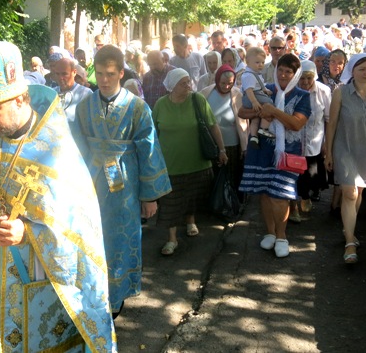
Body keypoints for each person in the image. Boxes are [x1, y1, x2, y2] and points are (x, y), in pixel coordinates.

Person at [0, 41, 117, 352]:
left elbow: (79, 229)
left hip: (38, 272)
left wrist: (28, 231)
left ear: (19, 99)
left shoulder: (55, 149)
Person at [74, 44, 171, 317]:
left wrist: (149, 196)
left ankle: (116, 299)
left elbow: (148, 150)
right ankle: (93, 296)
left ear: (120, 73)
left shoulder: (137, 107)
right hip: (91, 184)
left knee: (119, 239)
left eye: (110, 74)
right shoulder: (84, 106)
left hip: (125, 187)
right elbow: (78, 147)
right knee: (91, 239)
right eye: (100, 73)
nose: (104, 80)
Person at [238, 53, 311, 258]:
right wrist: (263, 111)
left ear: (295, 74)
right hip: (261, 149)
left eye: (289, 71)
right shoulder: (266, 88)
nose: (283, 74)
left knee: (279, 196)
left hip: (287, 152)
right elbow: (242, 112)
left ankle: (281, 236)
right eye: (280, 69)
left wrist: (274, 111)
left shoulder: (302, 96)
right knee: (264, 193)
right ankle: (270, 233)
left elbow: (296, 123)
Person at [153, 68, 227, 256]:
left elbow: (212, 125)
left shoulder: (197, 100)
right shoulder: (161, 105)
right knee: (170, 202)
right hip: (170, 165)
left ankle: (191, 221)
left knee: (192, 195)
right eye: (183, 83)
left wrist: (222, 149)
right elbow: (152, 133)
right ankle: (172, 239)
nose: (188, 86)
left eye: (188, 82)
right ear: (172, 86)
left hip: (197, 162)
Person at [325, 53, 366, 264]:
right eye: (362, 69)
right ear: (352, 71)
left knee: (359, 191)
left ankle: (349, 229)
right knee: (349, 192)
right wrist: (328, 152)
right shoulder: (341, 93)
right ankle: (349, 243)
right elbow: (332, 123)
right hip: (344, 148)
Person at [200, 64, 248, 193]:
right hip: (211, 144)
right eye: (223, 83)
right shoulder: (206, 93)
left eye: (230, 83)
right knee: (213, 177)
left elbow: (243, 122)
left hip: (232, 144)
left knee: (231, 177)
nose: (226, 86)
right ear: (217, 80)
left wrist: (244, 146)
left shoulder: (237, 94)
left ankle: (231, 205)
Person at [295, 60, 331, 218]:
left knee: (311, 173)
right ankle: (301, 198)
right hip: (295, 140)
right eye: (302, 78)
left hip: (314, 141)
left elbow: (328, 119)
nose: (305, 82)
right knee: (296, 173)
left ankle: (306, 195)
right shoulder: (293, 90)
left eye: (309, 78)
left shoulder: (323, 91)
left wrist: (326, 143)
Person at [240, 47, 274, 148]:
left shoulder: (254, 74)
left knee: (255, 118)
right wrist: (254, 102)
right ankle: (264, 128)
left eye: (263, 62)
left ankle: (254, 136)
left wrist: (265, 90)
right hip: (253, 97)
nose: (260, 65)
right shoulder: (249, 75)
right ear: (248, 62)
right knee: (270, 106)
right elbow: (249, 90)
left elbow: (259, 85)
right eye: (257, 62)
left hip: (255, 95)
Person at [51, 56, 92, 127]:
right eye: (57, 74)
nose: (60, 78)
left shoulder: (86, 94)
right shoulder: (51, 94)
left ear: (74, 72)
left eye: (64, 74)